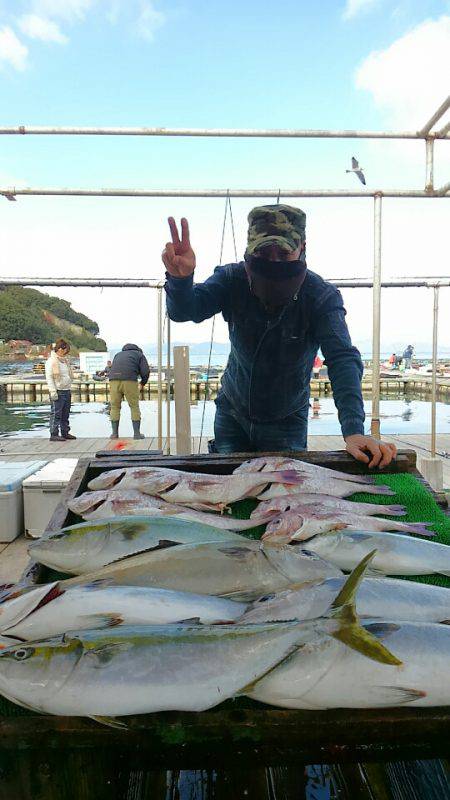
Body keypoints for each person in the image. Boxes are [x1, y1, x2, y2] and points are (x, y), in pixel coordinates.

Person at [163, 205, 397, 469]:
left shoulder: (320, 296)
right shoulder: (231, 279)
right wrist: (180, 281)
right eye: (263, 253)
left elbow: (342, 358)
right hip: (233, 412)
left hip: (287, 420)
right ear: (249, 250)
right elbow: (184, 311)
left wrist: (353, 429)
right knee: (226, 490)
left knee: (285, 497)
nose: (273, 262)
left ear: (302, 248)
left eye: (284, 253)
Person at [108, 344, 149, 439]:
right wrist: (143, 383)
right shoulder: (139, 355)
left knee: (114, 406)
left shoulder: (118, 354)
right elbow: (145, 371)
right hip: (129, 380)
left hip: (113, 380)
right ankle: (137, 434)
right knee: (134, 406)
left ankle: (114, 434)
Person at [45, 338, 76, 442]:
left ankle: (65, 432)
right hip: (58, 390)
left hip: (66, 389)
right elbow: (49, 377)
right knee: (56, 413)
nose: (65, 352)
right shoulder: (51, 361)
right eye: (64, 350)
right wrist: (52, 391)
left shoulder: (65, 361)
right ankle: (54, 433)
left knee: (65, 413)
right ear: (59, 349)